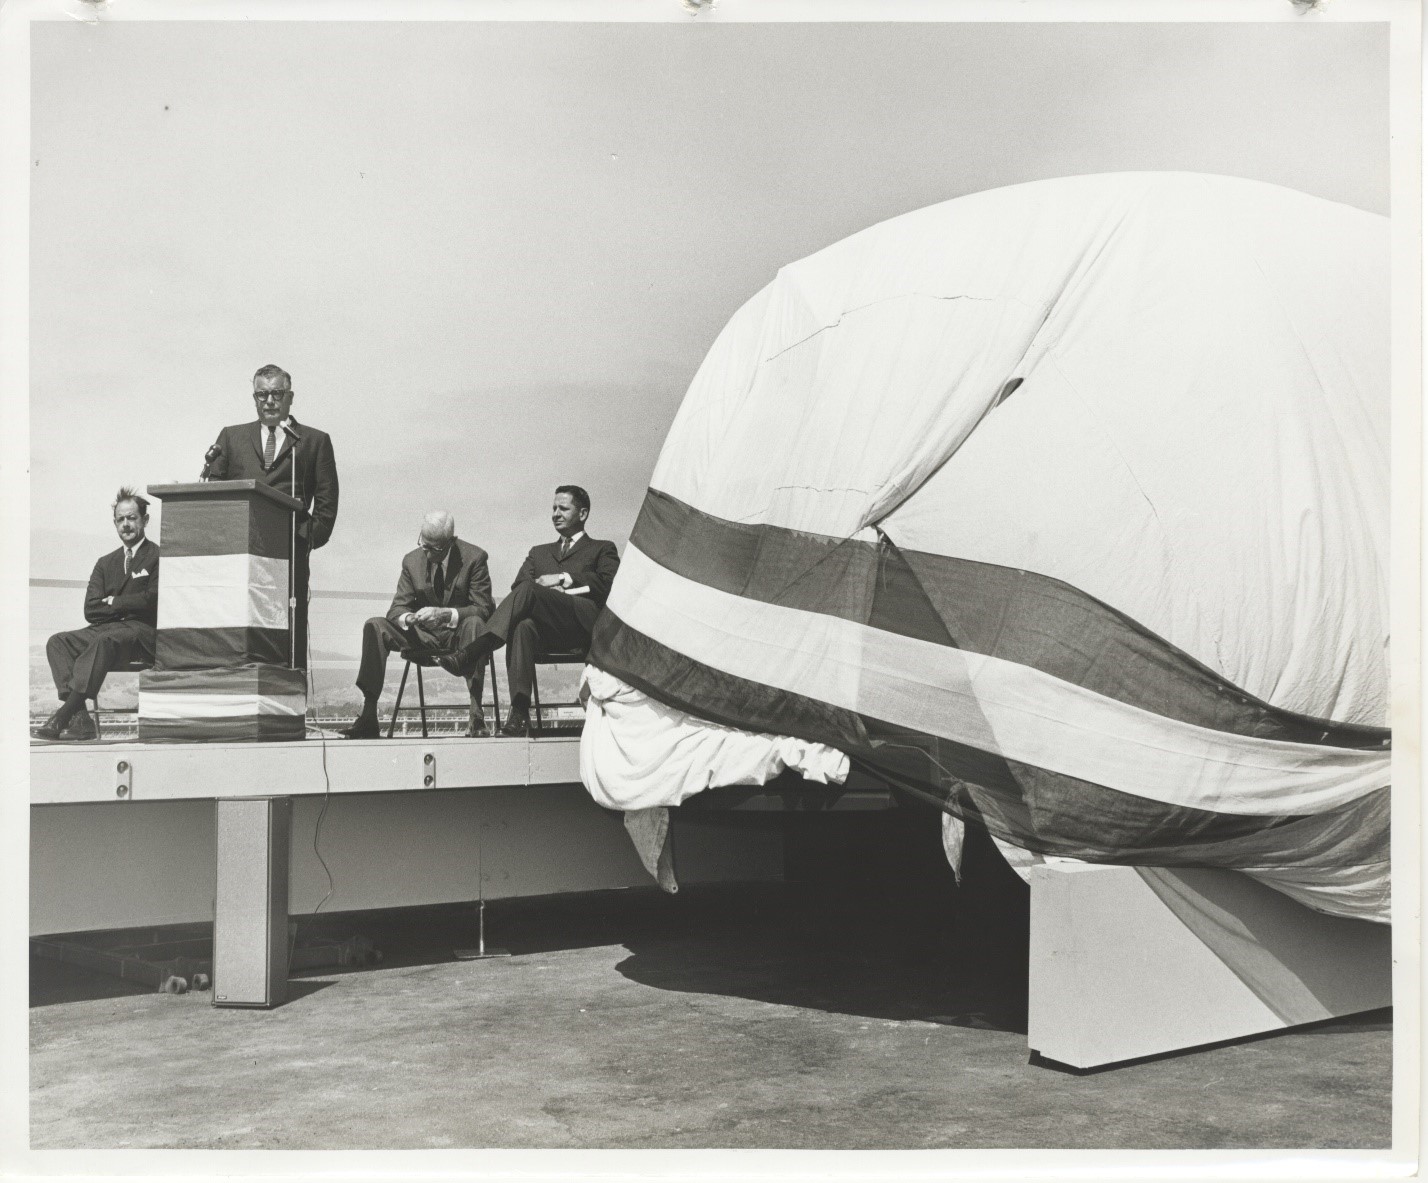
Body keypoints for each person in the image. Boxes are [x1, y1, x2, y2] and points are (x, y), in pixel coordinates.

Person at [443, 485, 619, 736]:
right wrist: (545, 596)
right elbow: (519, 590)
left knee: (530, 592)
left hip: (583, 626)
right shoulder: (539, 553)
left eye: (563, 508)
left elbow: (608, 584)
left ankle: (473, 651)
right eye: (554, 508)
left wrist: (562, 580)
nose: (556, 513)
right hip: (546, 630)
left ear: (582, 514)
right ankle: (519, 711)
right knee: (522, 625)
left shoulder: (602, 548)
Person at [204, 364, 338, 668]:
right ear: (254, 397)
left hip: (289, 556)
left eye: (276, 393)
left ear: (290, 397)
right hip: (241, 557)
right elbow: (213, 493)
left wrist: (302, 542)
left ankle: (291, 705)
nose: (269, 401)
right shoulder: (231, 438)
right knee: (241, 629)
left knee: (288, 629)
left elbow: (327, 507)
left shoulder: (314, 441)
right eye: (261, 394)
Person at [342, 511, 495, 739]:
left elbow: (483, 608)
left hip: (458, 637)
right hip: (421, 635)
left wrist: (446, 615)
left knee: (475, 624)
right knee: (374, 625)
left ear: (450, 542)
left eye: (433, 548)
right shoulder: (411, 561)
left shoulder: (475, 558)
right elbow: (396, 609)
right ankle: (369, 714)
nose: (426, 551)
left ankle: (476, 714)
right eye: (423, 544)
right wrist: (407, 618)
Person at [34, 488, 160, 742]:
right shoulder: (105, 562)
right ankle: (81, 718)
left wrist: (113, 601)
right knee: (58, 642)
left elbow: (153, 600)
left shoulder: (158, 557)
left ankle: (63, 714)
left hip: (141, 634)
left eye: (132, 518)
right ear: (115, 523)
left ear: (145, 520)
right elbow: (91, 609)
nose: (126, 524)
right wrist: (126, 603)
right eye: (120, 519)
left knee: (105, 640)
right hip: (108, 630)